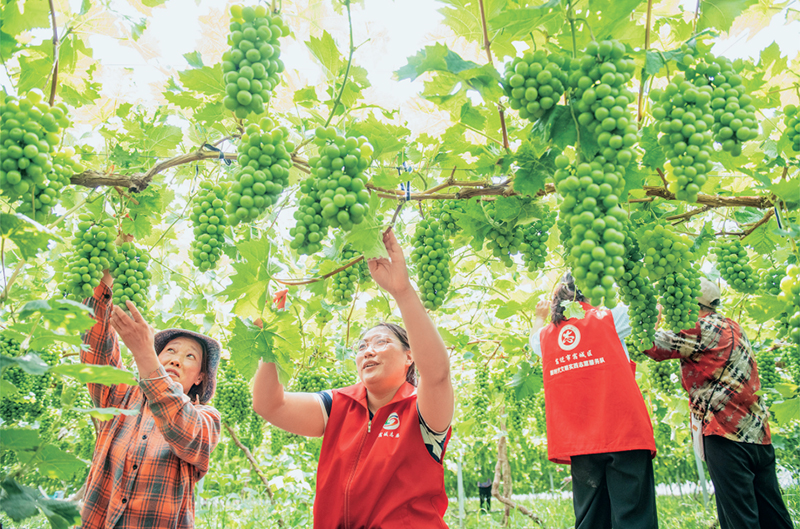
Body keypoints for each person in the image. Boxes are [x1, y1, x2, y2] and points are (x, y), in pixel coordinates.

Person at [252, 229, 454, 528]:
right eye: (362, 346)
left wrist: (402, 291)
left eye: (382, 342)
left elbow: (437, 374)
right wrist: (271, 333)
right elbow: (268, 404)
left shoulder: (422, 412)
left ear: (409, 356)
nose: (368, 351)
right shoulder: (337, 405)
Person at [643, 277, 794, 529]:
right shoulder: (733, 326)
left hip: (726, 434)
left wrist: (653, 313)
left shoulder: (700, 329)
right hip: (758, 434)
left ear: (689, 303)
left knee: (740, 519)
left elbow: (650, 345)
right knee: (774, 516)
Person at [80, 269, 221, 529]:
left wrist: (145, 354)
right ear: (158, 358)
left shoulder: (207, 419)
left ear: (200, 377)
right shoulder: (121, 396)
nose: (176, 359)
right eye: (170, 350)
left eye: (190, 356)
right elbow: (95, 347)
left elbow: (183, 427)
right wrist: (107, 275)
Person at [529, 272, 658, 529]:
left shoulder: (545, 337)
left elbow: (533, 340)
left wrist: (539, 316)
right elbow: (648, 306)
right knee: (634, 519)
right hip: (624, 433)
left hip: (580, 442)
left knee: (591, 521)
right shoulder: (609, 317)